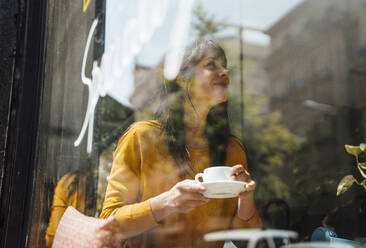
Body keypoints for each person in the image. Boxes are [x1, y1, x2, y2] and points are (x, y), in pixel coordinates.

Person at [100, 38, 262, 247]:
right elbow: (108, 224)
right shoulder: (141, 138)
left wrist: (246, 198)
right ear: (183, 78)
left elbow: (247, 243)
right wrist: (168, 202)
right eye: (211, 65)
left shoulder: (232, 150)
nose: (225, 72)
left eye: (225, 66)